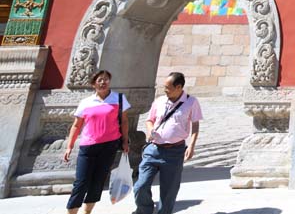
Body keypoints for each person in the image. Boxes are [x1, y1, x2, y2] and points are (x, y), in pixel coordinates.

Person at [133, 72, 202, 214]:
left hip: (175, 152)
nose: (164, 90)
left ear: (179, 87)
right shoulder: (159, 101)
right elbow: (149, 120)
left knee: (169, 192)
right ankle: (144, 210)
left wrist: (192, 146)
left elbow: (195, 126)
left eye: (167, 87)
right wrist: (151, 130)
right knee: (141, 185)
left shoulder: (191, 102)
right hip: (153, 149)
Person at [63, 70, 131, 214]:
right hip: (88, 147)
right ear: (94, 84)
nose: (103, 82)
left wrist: (125, 141)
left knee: (98, 182)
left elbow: (124, 121)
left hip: (109, 146)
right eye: (99, 80)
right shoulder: (86, 102)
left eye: (106, 79)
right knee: (81, 183)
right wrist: (69, 146)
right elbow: (76, 125)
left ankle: (87, 212)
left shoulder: (118, 98)